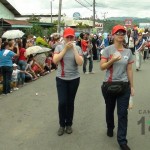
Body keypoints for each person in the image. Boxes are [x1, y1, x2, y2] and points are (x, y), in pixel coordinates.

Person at [100, 25, 134, 150]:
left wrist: (132, 86)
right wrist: (112, 60)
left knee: (122, 113)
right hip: (109, 86)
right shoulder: (107, 50)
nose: (120, 34)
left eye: (123, 33)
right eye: (118, 32)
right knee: (109, 109)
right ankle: (110, 127)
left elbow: (129, 69)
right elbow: (102, 67)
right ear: (113, 35)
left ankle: (122, 140)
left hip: (124, 85)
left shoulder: (128, 52)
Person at [53, 27, 83, 136]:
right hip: (61, 79)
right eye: (67, 37)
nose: (69, 39)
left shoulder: (78, 48)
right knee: (62, 102)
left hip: (74, 79)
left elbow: (80, 63)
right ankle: (62, 124)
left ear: (74, 37)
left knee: (70, 102)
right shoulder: (59, 47)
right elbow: (55, 60)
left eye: (71, 37)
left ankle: (69, 124)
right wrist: (65, 49)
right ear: (64, 37)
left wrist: (74, 49)